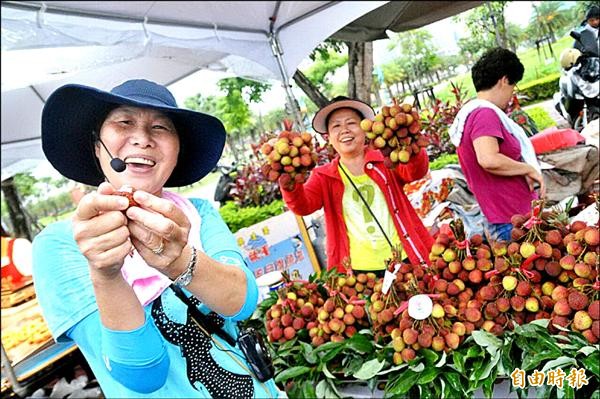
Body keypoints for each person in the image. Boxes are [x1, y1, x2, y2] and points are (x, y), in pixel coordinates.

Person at [32, 79, 282, 398]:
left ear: (177, 151)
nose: (142, 138)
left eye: (161, 127)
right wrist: (106, 273)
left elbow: (241, 302)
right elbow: (142, 374)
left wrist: (180, 261)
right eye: (124, 122)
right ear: (98, 146)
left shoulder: (198, 213)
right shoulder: (62, 244)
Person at [278, 96, 433, 274]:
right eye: (336, 126)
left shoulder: (384, 160)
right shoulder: (324, 176)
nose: (344, 130)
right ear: (328, 138)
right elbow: (302, 206)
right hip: (360, 271)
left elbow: (415, 171)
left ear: (365, 129)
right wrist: (289, 182)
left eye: (351, 123)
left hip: (407, 255)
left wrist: (410, 145)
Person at [449, 48, 546, 242]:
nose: (512, 94)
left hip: (510, 217)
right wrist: (528, 169)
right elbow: (488, 159)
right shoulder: (484, 114)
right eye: (513, 86)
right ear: (503, 80)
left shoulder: (471, 113)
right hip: (510, 221)